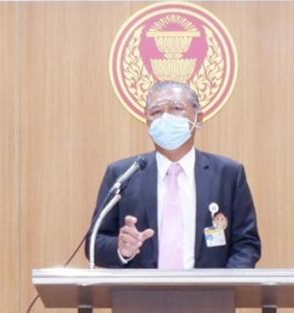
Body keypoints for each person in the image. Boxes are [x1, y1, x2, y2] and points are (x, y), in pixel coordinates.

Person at [86, 81, 261, 268]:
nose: (166, 118)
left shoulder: (228, 174)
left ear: (199, 118)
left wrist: (225, 282)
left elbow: (247, 244)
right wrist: (121, 249)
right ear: (147, 121)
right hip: (140, 287)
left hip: (210, 287)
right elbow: (94, 243)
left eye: (176, 108)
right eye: (156, 112)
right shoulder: (123, 175)